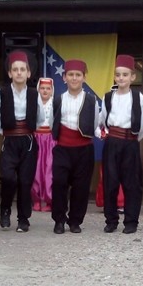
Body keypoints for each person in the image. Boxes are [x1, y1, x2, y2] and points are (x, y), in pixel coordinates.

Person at [98, 55, 143, 234]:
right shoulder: (108, 97)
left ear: (132, 77)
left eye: (125, 75)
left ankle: (131, 221)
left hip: (130, 143)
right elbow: (102, 120)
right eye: (118, 74)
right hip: (112, 143)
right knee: (110, 182)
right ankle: (111, 220)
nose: (121, 78)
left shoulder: (138, 97)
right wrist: (109, 135)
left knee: (132, 184)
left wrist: (133, 138)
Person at [0, 51, 40, 232]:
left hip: (28, 142)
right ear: (10, 73)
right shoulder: (1, 92)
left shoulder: (34, 94)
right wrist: (6, 131)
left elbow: (41, 118)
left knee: (25, 181)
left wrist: (27, 129)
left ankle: (23, 219)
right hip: (9, 141)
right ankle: (5, 209)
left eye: (22, 69)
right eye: (15, 69)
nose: (19, 72)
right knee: (8, 178)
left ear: (28, 73)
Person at [50, 59, 99, 234]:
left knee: (81, 186)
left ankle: (75, 221)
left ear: (84, 78)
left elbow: (95, 123)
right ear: (64, 77)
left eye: (78, 75)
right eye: (70, 74)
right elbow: (53, 122)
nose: (74, 78)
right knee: (59, 183)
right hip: (63, 148)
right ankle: (59, 220)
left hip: (84, 149)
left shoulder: (91, 100)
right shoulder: (58, 100)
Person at [31, 77, 55, 212]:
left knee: (49, 170)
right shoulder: (34, 103)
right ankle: (36, 200)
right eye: (42, 88)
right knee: (36, 170)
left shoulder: (55, 104)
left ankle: (50, 200)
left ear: (52, 90)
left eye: (48, 88)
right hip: (36, 138)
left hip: (51, 140)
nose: (45, 91)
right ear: (38, 89)